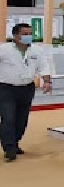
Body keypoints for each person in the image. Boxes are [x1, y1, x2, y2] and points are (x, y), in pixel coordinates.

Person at [0, 23, 52, 163]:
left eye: (30, 34)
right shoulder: (4, 50)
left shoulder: (37, 50)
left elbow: (44, 67)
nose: (28, 36)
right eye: (25, 34)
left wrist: (47, 82)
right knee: (8, 118)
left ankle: (14, 142)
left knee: (21, 119)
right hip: (6, 89)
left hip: (27, 88)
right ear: (15, 36)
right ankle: (9, 148)